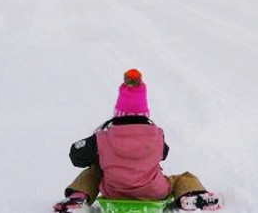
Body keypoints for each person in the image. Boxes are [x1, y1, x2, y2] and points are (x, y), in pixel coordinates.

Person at [53, 69, 221, 212]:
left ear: (118, 113)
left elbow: (77, 156)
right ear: (145, 114)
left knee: (94, 171)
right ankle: (189, 195)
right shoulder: (157, 135)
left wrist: (97, 152)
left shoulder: (102, 138)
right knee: (183, 178)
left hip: (115, 192)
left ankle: (78, 198)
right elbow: (164, 154)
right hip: (154, 191)